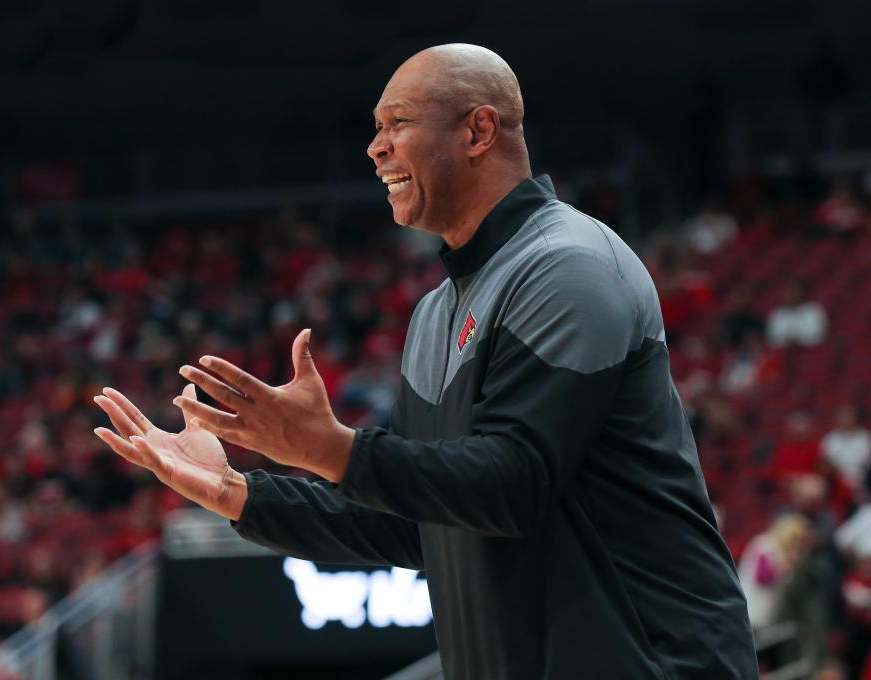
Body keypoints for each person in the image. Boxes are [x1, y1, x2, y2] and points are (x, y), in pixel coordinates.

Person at [93, 44, 757, 678]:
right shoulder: (437, 314)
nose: (375, 147)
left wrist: (332, 451)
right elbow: (427, 527)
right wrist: (241, 494)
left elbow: (515, 484)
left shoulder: (567, 266)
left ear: (478, 132)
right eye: (376, 128)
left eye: (398, 124)